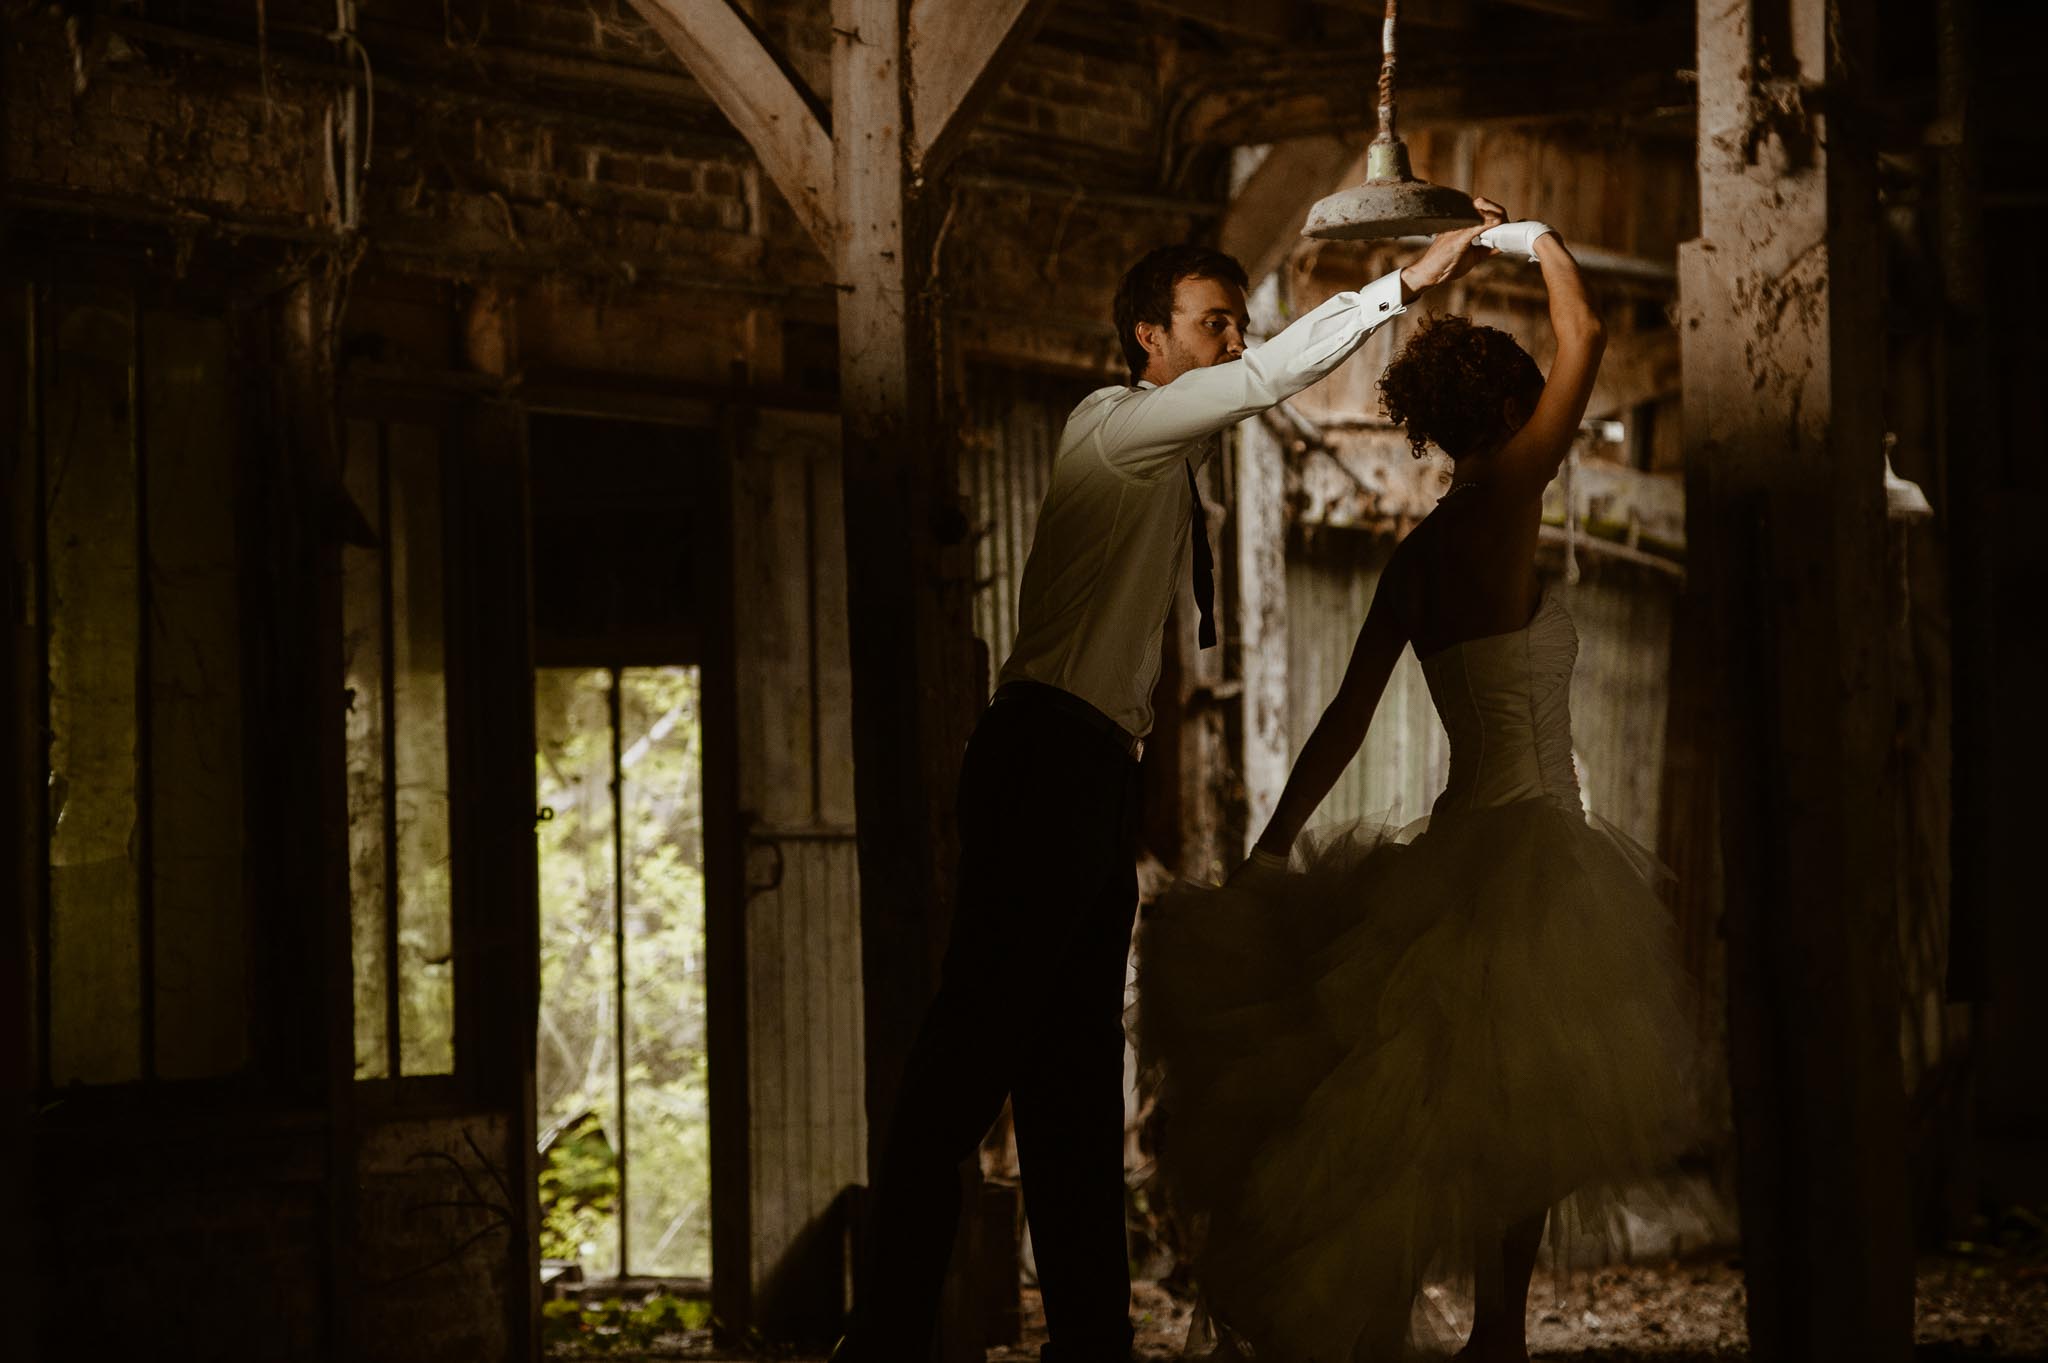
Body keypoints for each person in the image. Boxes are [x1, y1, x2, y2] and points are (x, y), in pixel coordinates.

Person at [831, 210, 1510, 1363]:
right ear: (1146, 337)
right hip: (1042, 757)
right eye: (1208, 324)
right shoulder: (1114, 426)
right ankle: (886, 1331)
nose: (1228, 340)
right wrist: (1398, 284)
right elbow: (1257, 384)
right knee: (971, 1052)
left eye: (1234, 322)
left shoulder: (1165, 461)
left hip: (1094, 768)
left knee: (1072, 1070)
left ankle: (1090, 1338)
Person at [1134, 222, 1697, 1362]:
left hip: (1458, 845)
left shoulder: (1419, 553)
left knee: (1448, 1115)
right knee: (1522, 1115)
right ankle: (1495, 1329)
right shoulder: (1507, 503)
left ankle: (1465, 1326)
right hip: (1533, 848)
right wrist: (1528, 236)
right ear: (1505, 416)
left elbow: (1343, 720)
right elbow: (1583, 331)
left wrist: (1277, 846)